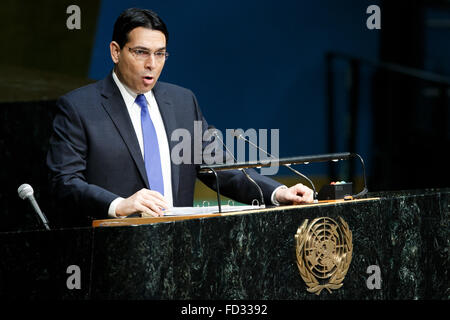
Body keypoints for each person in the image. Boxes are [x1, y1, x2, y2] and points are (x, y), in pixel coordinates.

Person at [46, 8, 313, 226]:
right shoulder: (79, 107)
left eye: (160, 54)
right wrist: (119, 205)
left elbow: (219, 169)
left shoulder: (183, 102)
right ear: (116, 51)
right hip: (112, 248)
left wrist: (278, 193)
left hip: (178, 246)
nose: (152, 64)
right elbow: (64, 182)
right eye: (141, 52)